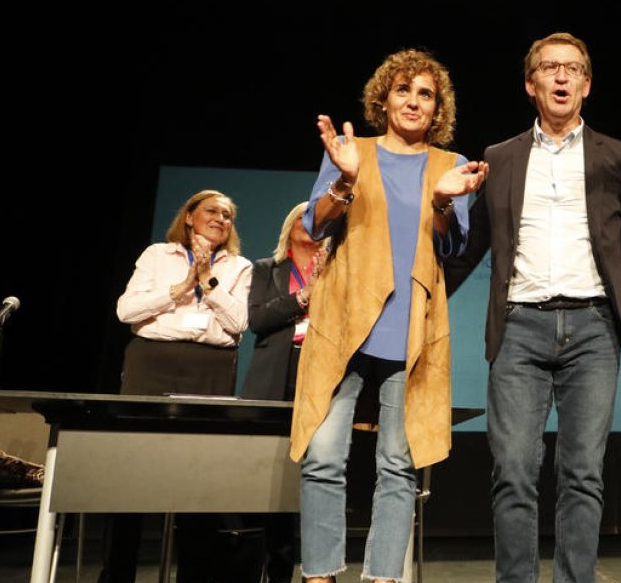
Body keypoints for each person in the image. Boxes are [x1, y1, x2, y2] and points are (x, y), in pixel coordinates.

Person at [444, 32, 621, 583]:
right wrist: (421, 296)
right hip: (520, 328)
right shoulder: (500, 157)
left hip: (593, 327)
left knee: (583, 473)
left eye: (572, 68)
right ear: (531, 84)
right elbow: (471, 246)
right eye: (550, 68)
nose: (561, 76)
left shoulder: (618, 157)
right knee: (513, 470)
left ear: (587, 84)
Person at [288, 49, 488, 583]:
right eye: (404, 90)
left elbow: (452, 248)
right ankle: (319, 574)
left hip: (411, 331)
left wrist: (443, 202)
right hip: (344, 325)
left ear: (438, 108)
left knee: (398, 465)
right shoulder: (352, 151)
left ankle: (383, 577)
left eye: (426, 94)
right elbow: (315, 224)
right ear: (384, 99)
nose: (414, 101)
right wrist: (344, 180)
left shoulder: (450, 164)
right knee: (323, 457)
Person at [112, 189, 254, 583]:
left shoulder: (239, 266)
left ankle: (194, 575)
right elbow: (127, 310)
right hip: (151, 362)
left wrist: (208, 282)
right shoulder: (158, 255)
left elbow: (239, 324)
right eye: (212, 211)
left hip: (209, 367)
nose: (221, 219)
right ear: (189, 216)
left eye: (227, 215)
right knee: (132, 471)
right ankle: (118, 572)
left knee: (199, 475)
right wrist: (181, 286)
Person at [240, 201, 329, 583]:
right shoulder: (267, 269)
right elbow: (258, 319)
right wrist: (304, 295)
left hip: (318, 373)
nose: (309, 225)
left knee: (304, 476)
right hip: (274, 375)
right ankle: (254, 567)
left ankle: (295, 570)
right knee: (262, 475)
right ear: (289, 226)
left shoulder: (337, 268)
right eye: (302, 218)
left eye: (317, 220)